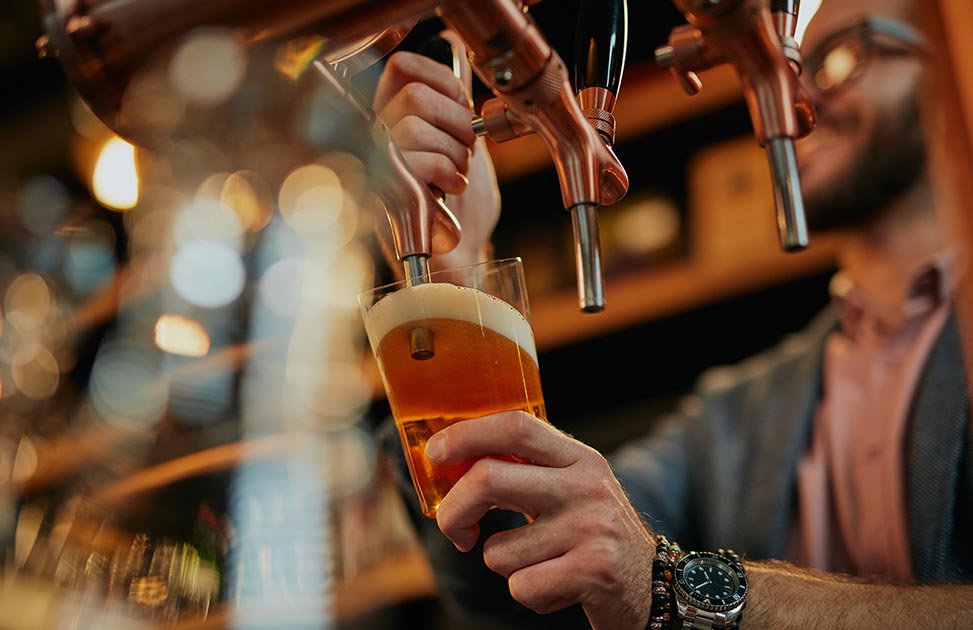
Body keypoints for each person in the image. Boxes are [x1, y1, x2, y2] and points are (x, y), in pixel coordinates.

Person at [371, 0, 973, 627]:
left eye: (843, 56)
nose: (796, 91)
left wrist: (673, 589)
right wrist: (451, 276)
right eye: (785, 62)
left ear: (956, 62)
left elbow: (647, 579)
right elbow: (531, 585)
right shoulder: (740, 416)